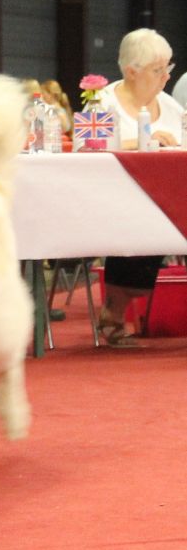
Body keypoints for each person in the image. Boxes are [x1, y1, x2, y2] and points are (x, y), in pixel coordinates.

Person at [94, 28, 182, 346]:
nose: (165, 78)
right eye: (158, 70)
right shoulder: (101, 102)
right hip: (114, 202)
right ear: (131, 71)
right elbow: (88, 146)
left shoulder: (171, 107)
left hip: (169, 201)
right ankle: (114, 313)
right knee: (142, 226)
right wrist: (142, 144)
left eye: (168, 69)